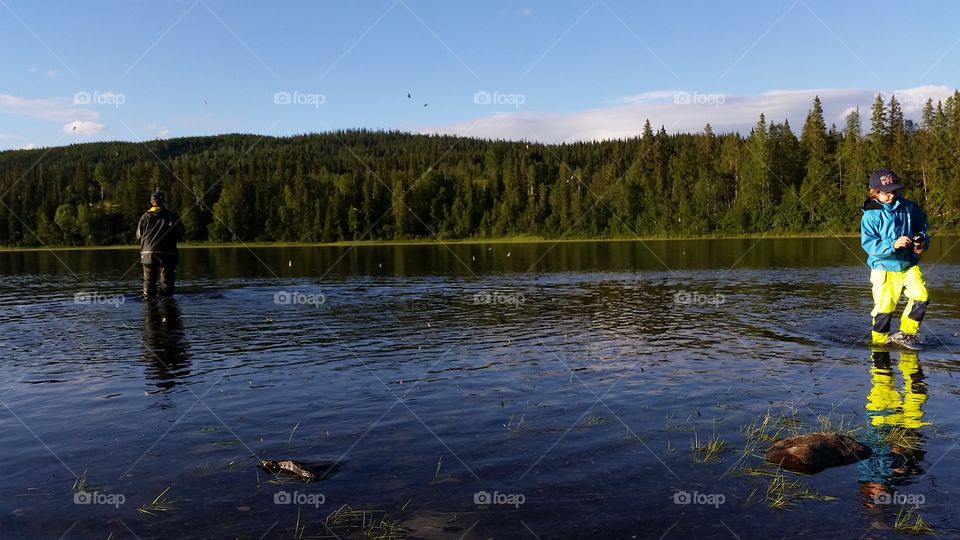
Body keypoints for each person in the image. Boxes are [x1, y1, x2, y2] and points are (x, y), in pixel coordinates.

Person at [860, 169, 929, 349]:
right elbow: (869, 245)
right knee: (885, 310)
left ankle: (907, 335)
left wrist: (921, 241)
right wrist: (892, 245)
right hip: (884, 268)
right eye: (886, 192)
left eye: (894, 191)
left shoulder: (909, 207)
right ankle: (879, 346)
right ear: (874, 192)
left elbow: (921, 229)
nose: (892, 195)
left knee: (922, 297)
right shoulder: (870, 215)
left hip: (908, 265)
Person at [137, 191, 186, 300]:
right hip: (168, 253)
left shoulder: (144, 217)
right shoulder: (172, 216)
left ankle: (149, 303)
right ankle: (167, 305)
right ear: (163, 201)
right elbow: (181, 232)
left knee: (149, 282)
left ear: (152, 202)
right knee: (167, 283)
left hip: (147, 254)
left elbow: (138, 235)